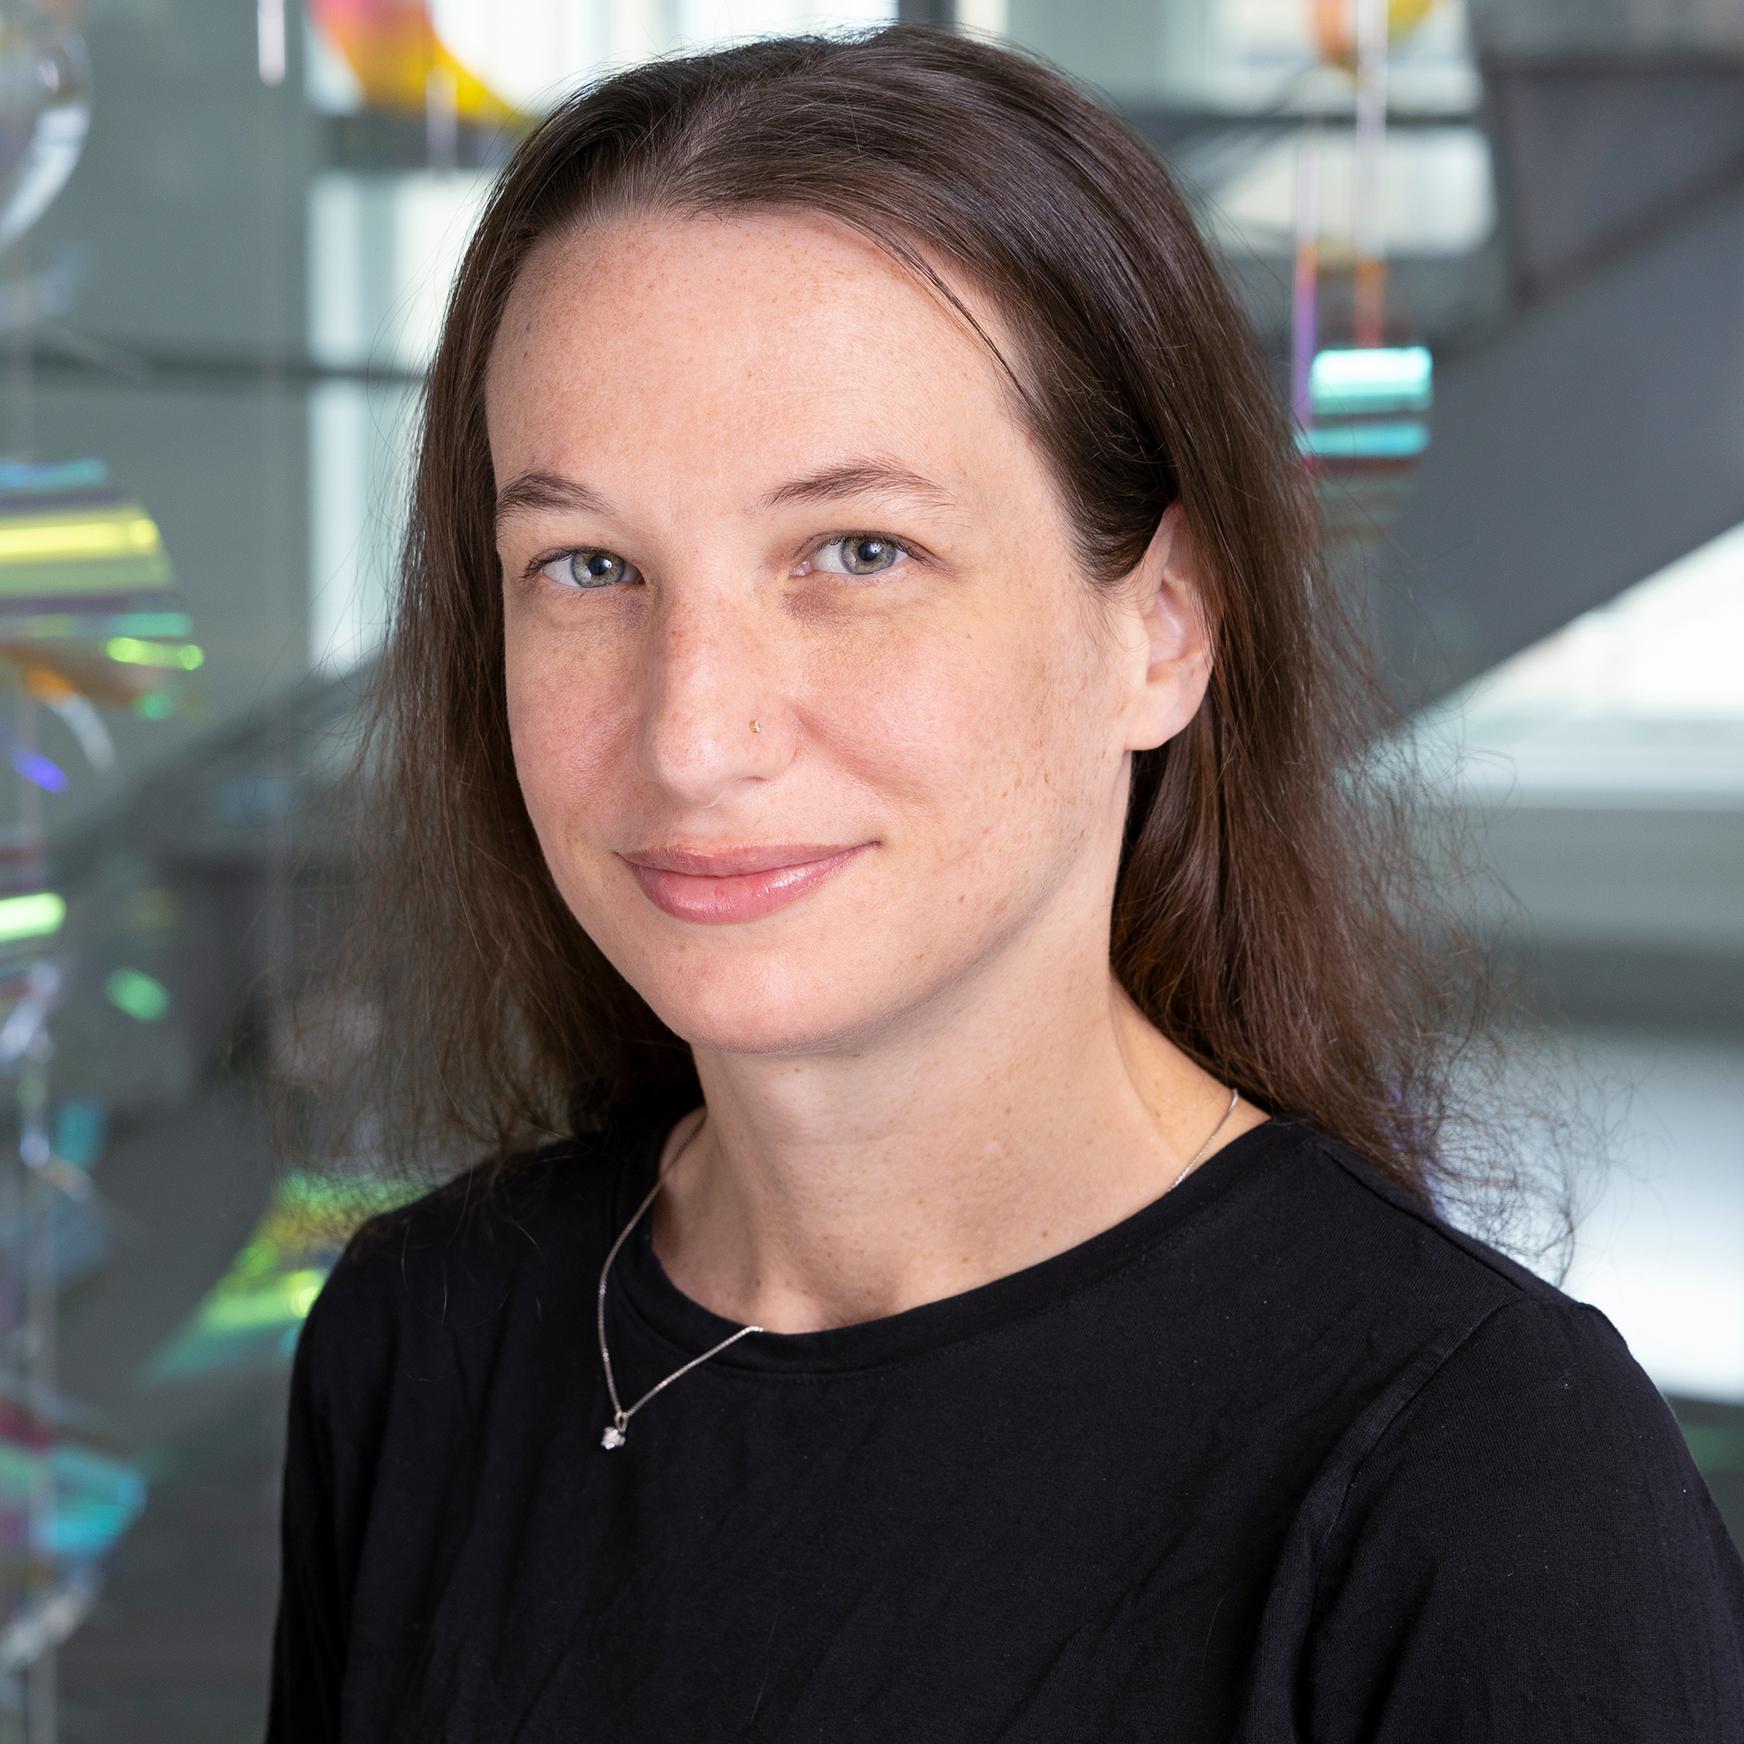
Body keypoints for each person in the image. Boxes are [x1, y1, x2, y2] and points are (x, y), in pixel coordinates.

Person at [266, 22, 1744, 1741]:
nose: (692, 733)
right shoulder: (422, 1334)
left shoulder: (1481, 1481)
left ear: (1164, 626)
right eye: (586, 566)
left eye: (859, 552)